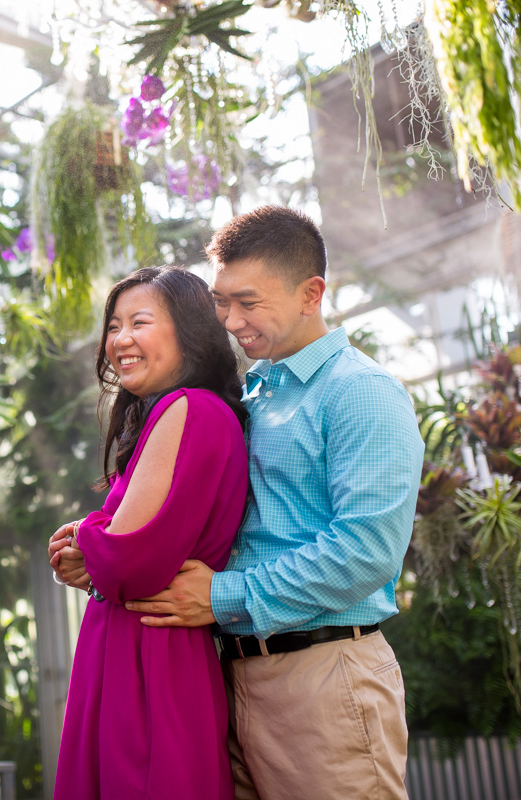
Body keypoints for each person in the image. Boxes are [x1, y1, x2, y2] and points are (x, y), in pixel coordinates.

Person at [117, 206, 424, 799]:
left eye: (248, 302)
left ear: (312, 293)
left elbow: (367, 551)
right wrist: (103, 537)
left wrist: (220, 595)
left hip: (323, 676)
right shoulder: (247, 397)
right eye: (222, 302)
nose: (230, 321)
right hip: (225, 674)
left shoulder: (361, 392)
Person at [46, 266, 248, 800]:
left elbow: (127, 561)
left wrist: (86, 539)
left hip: (151, 660)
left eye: (139, 322)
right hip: (138, 647)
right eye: (113, 326)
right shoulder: (170, 413)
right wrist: (94, 549)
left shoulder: (189, 408)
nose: (120, 340)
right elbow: (121, 554)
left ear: (189, 329)